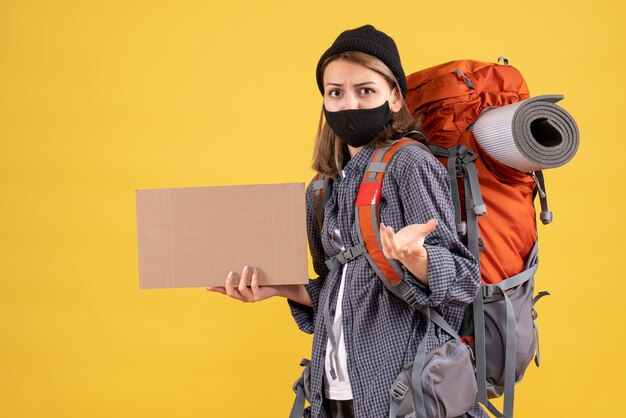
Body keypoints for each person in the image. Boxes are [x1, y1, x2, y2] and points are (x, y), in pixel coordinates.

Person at [207, 24, 485, 418]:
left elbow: (463, 278)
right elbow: (343, 295)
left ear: (394, 98)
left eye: (365, 90)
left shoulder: (409, 163)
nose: (348, 103)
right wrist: (280, 288)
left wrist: (417, 258)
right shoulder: (322, 189)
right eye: (335, 92)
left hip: (403, 394)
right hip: (335, 392)